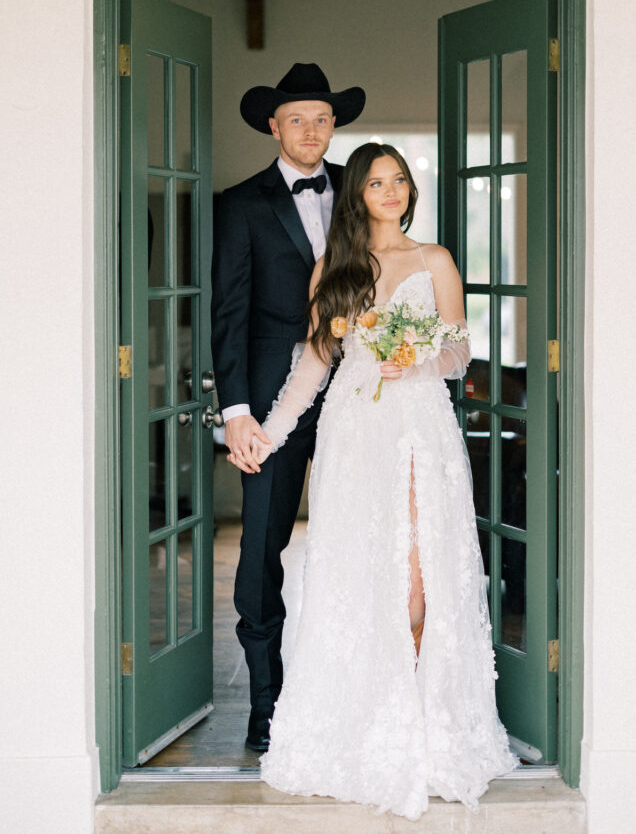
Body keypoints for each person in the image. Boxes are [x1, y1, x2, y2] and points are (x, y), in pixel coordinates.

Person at [228, 143, 518, 819]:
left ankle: (424, 727)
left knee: (418, 584)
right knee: (362, 580)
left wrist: (415, 359)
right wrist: (268, 433)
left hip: (417, 430)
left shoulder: (434, 259)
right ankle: (369, 727)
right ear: (357, 193)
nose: (391, 191)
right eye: (378, 182)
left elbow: (457, 349)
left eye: (399, 181)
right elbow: (313, 362)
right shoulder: (336, 266)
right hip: (354, 433)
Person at [211, 63, 366, 752]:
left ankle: (355, 694)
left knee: (363, 543)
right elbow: (229, 313)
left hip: (365, 395)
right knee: (260, 553)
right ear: (273, 127)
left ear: (336, 127)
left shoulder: (367, 197)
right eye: (297, 119)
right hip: (276, 401)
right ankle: (266, 705)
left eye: (322, 119)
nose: (311, 130)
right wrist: (236, 411)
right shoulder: (239, 203)